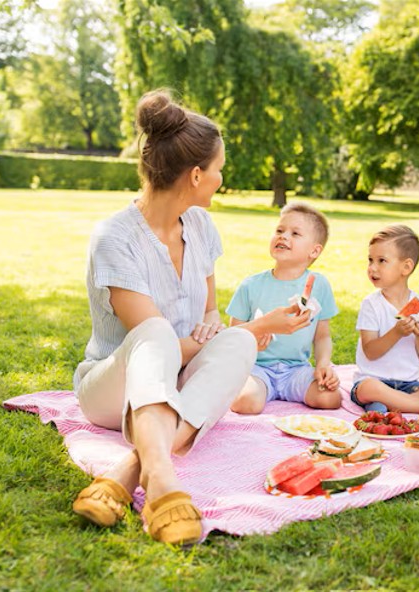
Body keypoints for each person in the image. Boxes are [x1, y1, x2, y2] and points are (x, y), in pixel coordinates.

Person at [71, 90, 311, 545]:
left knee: (239, 344)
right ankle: (161, 479)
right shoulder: (115, 238)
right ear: (197, 174)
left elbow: (210, 315)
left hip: (179, 384)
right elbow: (154, 344)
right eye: (219, 169)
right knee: (160, 330)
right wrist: (259, 327)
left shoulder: (200, 227)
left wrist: (231, 332)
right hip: (114, 390)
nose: (222, 178)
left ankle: (130, 469)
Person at [226, 202, 342, 413]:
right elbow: (233, 335)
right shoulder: (250, 285)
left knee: (331, 398)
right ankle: (248, 389)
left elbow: (322, 336)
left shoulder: (320, 285)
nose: (283, 236)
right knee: (246, 402)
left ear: (314, 251)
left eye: (295, 233)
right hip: (257, 368)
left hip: (297, 370)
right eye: (279, 230)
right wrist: (255, 337)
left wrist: (324, 364)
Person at [350, 225, 419, 413]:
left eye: (382, 261)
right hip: (373, 381)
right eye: (370, 260)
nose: (372, 267)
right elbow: (370, 351)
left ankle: (391, 405)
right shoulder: (371, 304)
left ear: (406, 267)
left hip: (408, 385)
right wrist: (397, 332)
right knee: (369, 388)